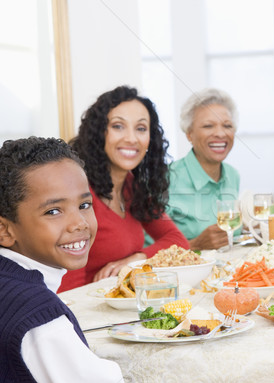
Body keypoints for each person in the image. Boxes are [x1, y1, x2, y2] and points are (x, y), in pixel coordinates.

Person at [0, 137, 139, 383]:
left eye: (84, 205)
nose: (79, 223)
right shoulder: (41, 319)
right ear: (5, 230)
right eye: (53, 211)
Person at [59, 86, 188, 292]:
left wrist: (138, 259)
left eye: (141, 128)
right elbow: (67, 291)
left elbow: (178, 242)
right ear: (99, 132)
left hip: (121, 304)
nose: (131, 138)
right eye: (118, 126)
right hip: (86, 309)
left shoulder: (131, 185)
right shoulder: (77, 192)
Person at [165, 88, 240, 250]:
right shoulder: (164, 179)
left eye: (227, 125)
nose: (220, 133)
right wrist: (194, 245)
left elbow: (232, 234)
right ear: (189, 134)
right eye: (208, 126)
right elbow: (144, 253)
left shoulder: (233, 175)